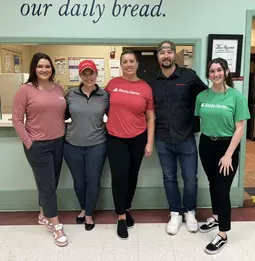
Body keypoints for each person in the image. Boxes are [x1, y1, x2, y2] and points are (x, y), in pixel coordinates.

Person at [149, 40, 207, 235]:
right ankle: (175, 211)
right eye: (162, 52)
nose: (166, 55)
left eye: (169, 52)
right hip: (163, 138)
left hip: (186, 138)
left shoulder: (189, 76)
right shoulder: (151, 81)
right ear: (157, 57)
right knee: (169, 177)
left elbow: (206, 96)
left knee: (191, 178)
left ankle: (190, 211)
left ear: (175, 55)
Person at [195, 57, 250, 255]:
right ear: (208, 75)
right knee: (213, 183)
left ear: (226, 72)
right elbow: (198, 121)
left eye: (219, 70)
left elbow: (240, 128)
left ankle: (223, 234)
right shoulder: (202, 96)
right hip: (206, 144)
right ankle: (216, 216)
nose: (215, 74)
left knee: (222, 189)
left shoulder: (236, 97)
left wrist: (228, 154)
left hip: (227, 147)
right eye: (212, 71)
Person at [12, 53, 68, 247]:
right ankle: (56, 224)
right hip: (37, 144)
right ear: (34, 68)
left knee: (50, 182)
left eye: (47, 66)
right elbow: (17, 120)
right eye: (40, 66)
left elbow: (61, 114)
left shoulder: (58, 88)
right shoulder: (25, 90)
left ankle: (43, 214)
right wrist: (29, 142)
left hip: (58, 142)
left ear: (52, 68)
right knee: (48, 186)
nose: (44, 69)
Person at [105, 50, 155, 239]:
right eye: (125, 61)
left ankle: (126, 208)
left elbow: (151, 117)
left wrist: (149, 142)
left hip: (138, 138)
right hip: (115, 138)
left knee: (132, 176)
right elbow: (100, 105)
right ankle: (121, 217)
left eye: (131, 61)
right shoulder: (112, 84)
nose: (128, 64)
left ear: (137, 64)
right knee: (119, 177)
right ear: (121, 64)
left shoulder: (145, 88)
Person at [63, 60, 109, 231]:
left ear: (97, 74)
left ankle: (89, 213)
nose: (88, 77)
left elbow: (116, 115)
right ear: (80, 76)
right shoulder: (70, 94)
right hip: (72, 144)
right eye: (85, 73)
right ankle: (83, 207)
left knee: (93, 180)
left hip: (97, 144)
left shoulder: (105, 95)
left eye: (91, 73)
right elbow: (59, 115)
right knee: (79, 181)